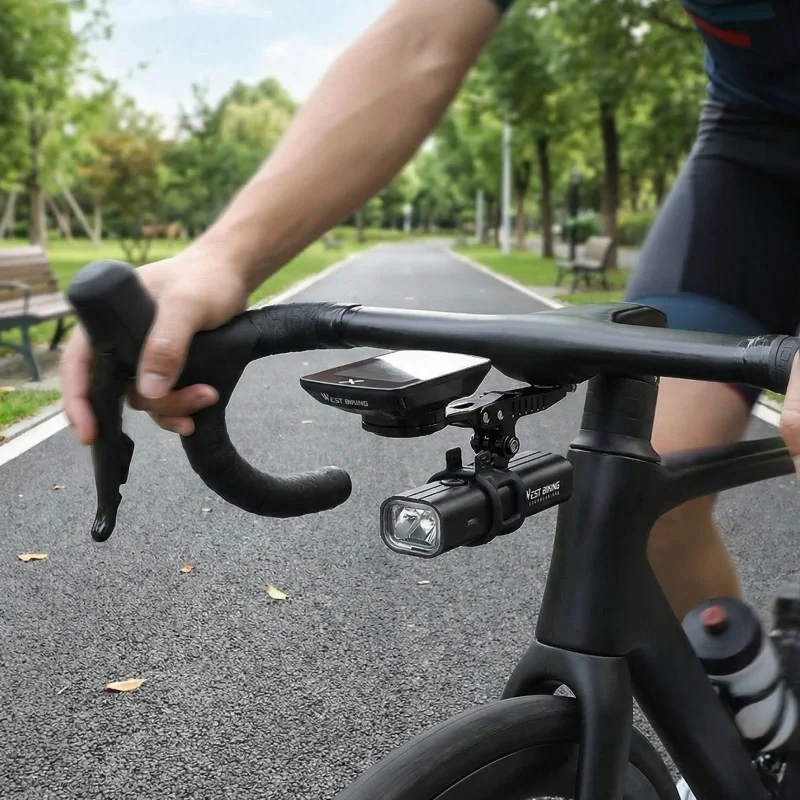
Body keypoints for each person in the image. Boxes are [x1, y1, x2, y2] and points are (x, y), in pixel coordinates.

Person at [60, 0, 800, 770]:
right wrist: (223, 257)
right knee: (655, 490)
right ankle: (767, 721)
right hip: (751, 154)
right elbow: (421, 37)